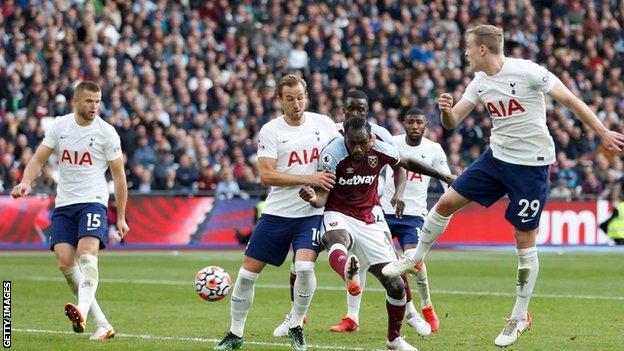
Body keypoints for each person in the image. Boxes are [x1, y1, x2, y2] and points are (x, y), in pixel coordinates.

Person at [382, 24, 624, 348]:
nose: (465, 54)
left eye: (468, 48)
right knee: (445, 203)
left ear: (482, 49)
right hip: (496, 158)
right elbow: (454, 121)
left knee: (523, 240)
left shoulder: (528, 72)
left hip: (532, 166)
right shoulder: (480, 81)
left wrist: (603, 132)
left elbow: (570, 99)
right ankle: (416, 256)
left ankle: (520, 315)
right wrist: (444, 113)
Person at [273, 90, 435, 337]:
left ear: (367, 111)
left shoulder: (379, 135)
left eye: (361, 110)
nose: (356, 113)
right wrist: (311, 194)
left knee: (390, 268)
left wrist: (399, 193)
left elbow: (400, 165)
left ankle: (410, 314)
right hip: (328, 207)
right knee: (301, 262)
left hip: (370, 210)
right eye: (351, 109)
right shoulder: (329, 134)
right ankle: (296, 317)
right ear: (344, 109)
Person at [299, 117, 453, 350]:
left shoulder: (381, 147)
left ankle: (394, 340)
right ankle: (349, 275)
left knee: (396, 285)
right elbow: (322, 197)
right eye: (352, 143)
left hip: (369, 218)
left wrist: (444, 176)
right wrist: (313, 199)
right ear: (345, 139)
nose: (357, 148)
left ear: (371, 138)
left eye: (362, 143)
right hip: (338, 212)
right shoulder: (332, 154)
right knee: (336, 239)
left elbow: (408, 163)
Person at [214, 74, 340, 351]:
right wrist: (310, 179)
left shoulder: (325, 124)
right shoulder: (271, 130)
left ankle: (296, 325)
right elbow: (267, 175)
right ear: (279, 100)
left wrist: (323, 191)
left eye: (301, 97)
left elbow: (338, 159)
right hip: (277, 214)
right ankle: (235, 334)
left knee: (305, 267)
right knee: (247, 274)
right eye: (290, 99)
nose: (297, 104)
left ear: (307, 96)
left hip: (311, 214)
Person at [10, 81, 129, 340]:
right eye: (89, 101)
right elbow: (38, 159)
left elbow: (119, 177)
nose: (94, 106)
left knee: (87, 256)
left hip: (93, 201)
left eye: (97, 101)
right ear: (76, 102)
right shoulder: (60, 126)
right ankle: (103, 324)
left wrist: (120, 216)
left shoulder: (107, 133)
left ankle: (82, 310)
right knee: (65, 262)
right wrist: (25, 182)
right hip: (64, 204)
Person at [378, 107, 450, 334]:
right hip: (386, 213)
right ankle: (354, 315)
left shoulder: (434, 149)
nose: (415, 126)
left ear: (425, 125)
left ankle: (427, 306)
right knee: (385, 265)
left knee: (414, 261)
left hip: (414, 216)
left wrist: (450, 208)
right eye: (410, 122)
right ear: (404, 123)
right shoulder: (392, 143)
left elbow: (447, 180)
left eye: (419, 122)